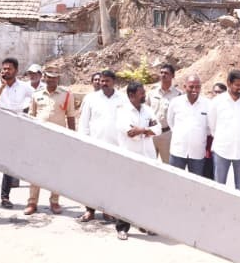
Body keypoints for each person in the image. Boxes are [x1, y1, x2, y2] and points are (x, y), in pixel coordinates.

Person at [114, 81, 161, 240]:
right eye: (141, 93)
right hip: (129, 158)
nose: (144, 95)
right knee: (126, 193)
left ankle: (144, 224)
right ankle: (122, 227)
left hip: (148, 157)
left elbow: (158, 129)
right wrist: (146, 130)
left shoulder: (147, 110)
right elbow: (130, 133)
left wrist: (143, 130)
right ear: (131, 95)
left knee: (146, 193)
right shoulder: (122, 112)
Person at [0, 57, 34, 208]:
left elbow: (37, 96)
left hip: (14, 128)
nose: (6, 71)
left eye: (9, 69)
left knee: (8, 165)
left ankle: (5, 197)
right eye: (4, 69)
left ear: (16, 71)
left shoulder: (24, 87)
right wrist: (2, 86)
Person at [26, 69, 74, 215]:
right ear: (44, 78)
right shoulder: (36, 95)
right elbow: (31, 117)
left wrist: (72, 139)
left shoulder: (66, 95)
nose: (51, 80)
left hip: (58, 139)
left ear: (58, 78)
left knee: (56, 171)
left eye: (54, 78)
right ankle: (32, 203)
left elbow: (71, 117)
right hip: (39, 139)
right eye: (49, 77)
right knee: (35, 171)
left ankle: (54, 201)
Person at [77, 69, 122, 222]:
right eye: (102, 81)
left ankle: (107, 210)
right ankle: (89, 210)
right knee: (92, 179)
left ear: (113, 82)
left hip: (115, 147)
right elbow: (84, 123)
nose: (103, 83)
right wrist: (85, 143)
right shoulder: (91, 98)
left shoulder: (122, 98)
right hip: (94, 146)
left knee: (110, 180)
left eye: (107, 81)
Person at [208, 69, 240, 191]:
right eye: (237, 85)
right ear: (229, 83)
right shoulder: (217, 102)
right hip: (221, 149)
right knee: (218, 187)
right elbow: (212, 125)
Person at [168, 74, 211, 176]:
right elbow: (170, 121)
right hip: (178, 151)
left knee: (195, 185)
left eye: (197, 87)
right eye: (191, 86)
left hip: (197, 153)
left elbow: (210, 127)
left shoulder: (208, 104)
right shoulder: (175, 102)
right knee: (174, 182)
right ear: (185, 87)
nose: (194, 90)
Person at [147, 63, 182, 165]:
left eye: (166, 73)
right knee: (149, 164)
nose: (163, 75)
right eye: (161, 73)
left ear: (172, 76)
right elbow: (145, 110)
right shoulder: (152, 93)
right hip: (152, 133)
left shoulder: (178, 95)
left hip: (167, 134)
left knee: (167, 166)